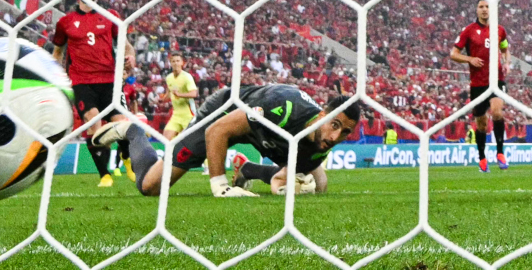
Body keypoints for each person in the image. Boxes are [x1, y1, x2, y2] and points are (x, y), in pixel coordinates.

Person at [95, 84, 359, 197]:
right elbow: (217, 132)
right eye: (334, 125)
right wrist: (221, 186)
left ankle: (248, 170)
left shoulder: (321, 144)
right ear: (323, 116)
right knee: (151, 187)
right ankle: (132, 132)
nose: (336, 136)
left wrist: (300, 189)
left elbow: (315, 181)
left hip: (263, 135)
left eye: (345, 132)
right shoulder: (283, 107)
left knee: (312, 181)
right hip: (224, 112)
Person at [52, 0, 136, 188]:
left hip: (109, 80)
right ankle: (104, 175)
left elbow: (125, 45)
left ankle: (126, 158)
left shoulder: (111, 17)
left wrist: (131, 58)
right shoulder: (65, 22)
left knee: (122, 125)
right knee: (93, 122)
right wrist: (56, 77)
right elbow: (58, 53)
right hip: (82, 81)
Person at [449, 0, 510, 172]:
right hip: (478, 84)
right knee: (481, 124)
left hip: (496, 80)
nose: (484, 10)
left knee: (497, 111)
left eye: (487, 6)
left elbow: (505, 48)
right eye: (481, 7)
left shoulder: (500, 30)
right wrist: (470, 59)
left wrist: (507, 62)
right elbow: (454, 54)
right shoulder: (468, 31)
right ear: (476, 10)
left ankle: (500, 153)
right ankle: (482, 157)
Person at [163, 52, 198, 141]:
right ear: (170, 63)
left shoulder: (187, 77)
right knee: (166, 138)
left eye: (178, 61)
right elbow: (169, 93)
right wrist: (161, 99)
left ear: (182, 63)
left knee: (187, 141)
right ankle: (170, 155)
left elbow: (194, 94)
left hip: (189, 115)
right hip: (176, 115)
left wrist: (180, 95)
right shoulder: (169, 78)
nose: (176, 63)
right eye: (173, 61)